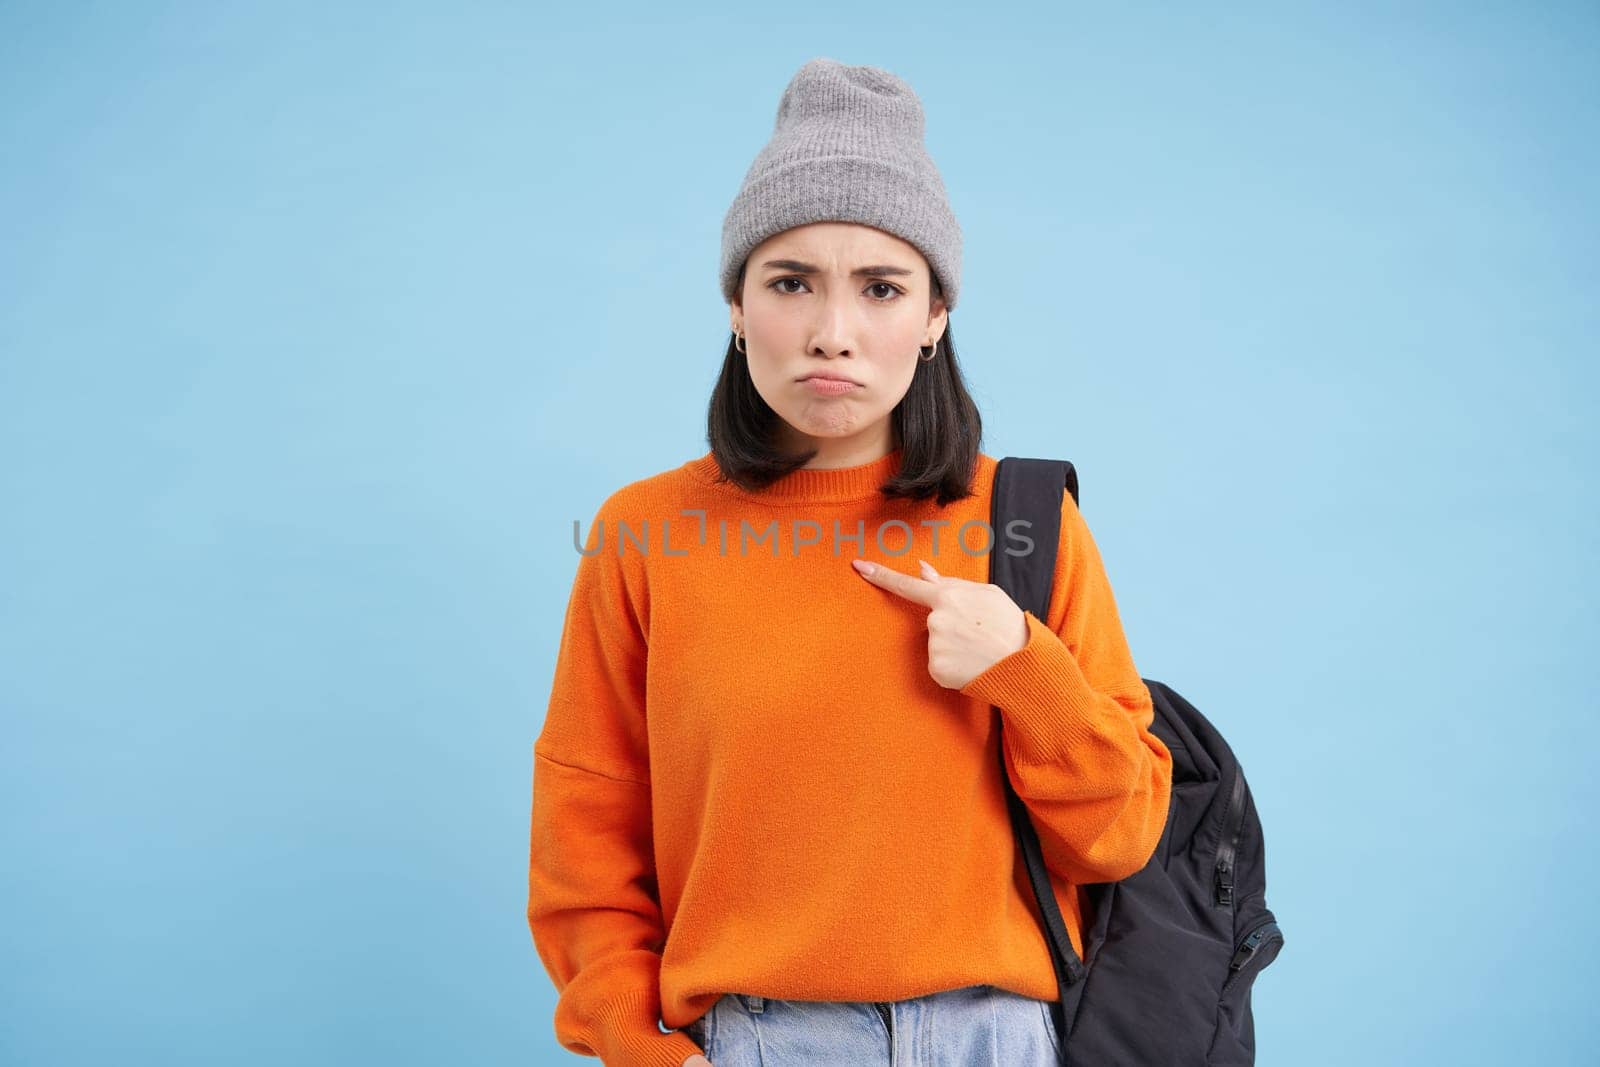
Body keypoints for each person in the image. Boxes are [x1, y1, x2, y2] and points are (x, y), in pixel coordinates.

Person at [526, 57, 1173, 1067]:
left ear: (934, 317)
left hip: (995, 1037)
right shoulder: (645, 532)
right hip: (755, 1037)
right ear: (737, 306)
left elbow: (1121, 834)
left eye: (881, 287)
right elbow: (586, 824)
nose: (833, 333)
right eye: (790, 282)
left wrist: (1024, 668)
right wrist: (631, 1037)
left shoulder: (1025, 522)